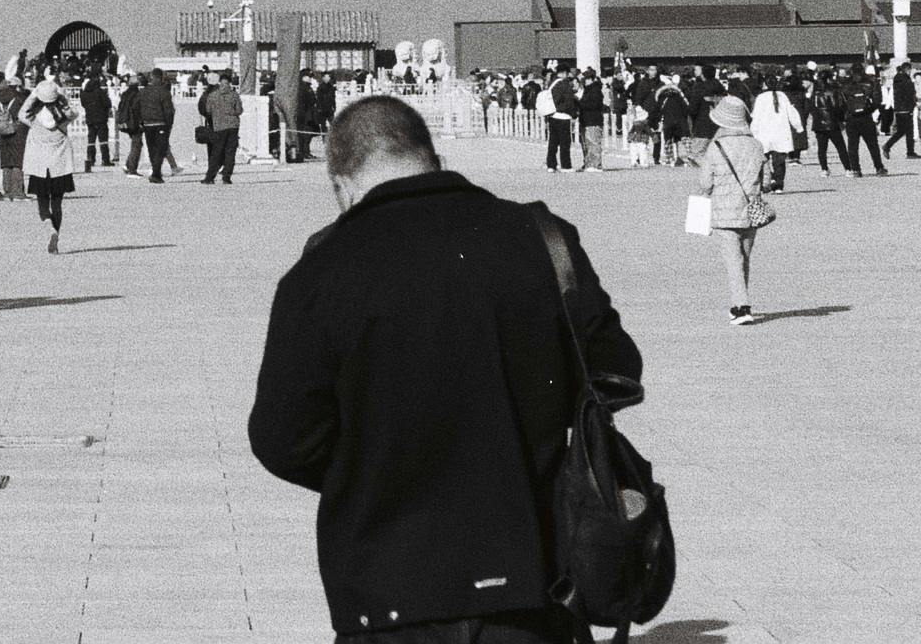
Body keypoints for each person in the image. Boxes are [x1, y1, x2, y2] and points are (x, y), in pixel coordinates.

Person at [247, 95, 646, 642]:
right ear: (429, 155)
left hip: (389, 589)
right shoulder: (542, 238)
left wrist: (373, 471)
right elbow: (617, 368)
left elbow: (281, 440)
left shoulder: (321, 270)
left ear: (340, 182)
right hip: (534, 575)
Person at [699, 94, 775, 326]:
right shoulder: (756, 145)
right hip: (750, 210)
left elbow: (705, 183)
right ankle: (738, 303)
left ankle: (743, 308)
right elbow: (766, 182)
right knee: (744, 258)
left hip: (724, 212)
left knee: (733, 261)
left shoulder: (716, 146)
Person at [23, 82, 79, 252]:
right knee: (57, 203)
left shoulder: (34, 118)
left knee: (42, 204)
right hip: (59, 166)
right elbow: (74, 112)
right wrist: (61, 97)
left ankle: (50, 229)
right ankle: (56, 237)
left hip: (40, 165)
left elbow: (21, 113)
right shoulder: (63, 118)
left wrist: (34, 94)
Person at [195, 73, 242, 185]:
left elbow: (208, 110)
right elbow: (239, 110)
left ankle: (210, 177)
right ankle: (226, 177)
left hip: (219, 126)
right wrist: (231, 113)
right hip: (233, 126)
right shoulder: (234, 95)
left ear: (220, 82)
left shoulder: (213, 95)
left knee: (216, 152)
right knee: (230, 152)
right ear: (229, 83)